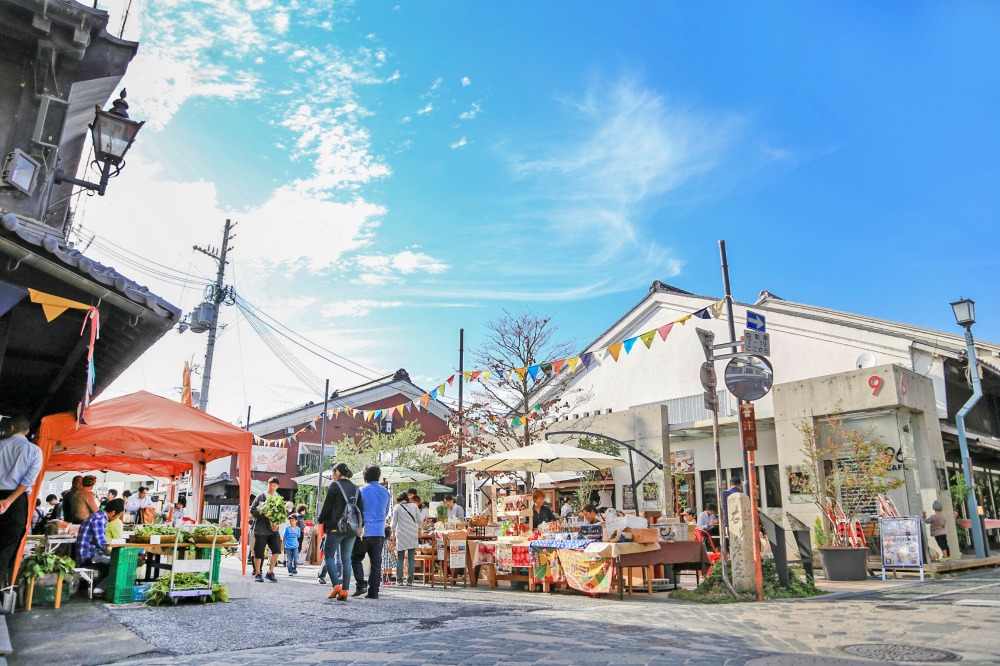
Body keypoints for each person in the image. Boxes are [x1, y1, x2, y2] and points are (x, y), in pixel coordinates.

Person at [0, 417, 42, 590]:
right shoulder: (34, 450)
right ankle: (3, 585)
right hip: (15, 500)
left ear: (11, 427)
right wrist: (8, 501)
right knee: (9, 542)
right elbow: (28, 480)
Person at [317, 462, 365, 601]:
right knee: (346, 559)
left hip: (335, 527)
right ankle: (345, 590)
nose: (332, 476)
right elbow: (361, 510)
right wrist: (361, 527)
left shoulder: (334, 486)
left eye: (333, 473)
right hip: (351, 528)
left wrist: (320, 521)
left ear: (337, 472)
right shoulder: (356, 488)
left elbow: (327, 506)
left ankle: (336, 585)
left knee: (329, 556)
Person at [352, 465, 391, 599]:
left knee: (356, 558)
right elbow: (386, 512)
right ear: (378, 476)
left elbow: (356, 511)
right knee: (376, 563)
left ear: (365, 477)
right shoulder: (385, 492)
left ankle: (361, 584)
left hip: (364, 531)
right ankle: (373, 591)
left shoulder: (361, 491)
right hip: (379, 532)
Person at [75, 498, 125, 596]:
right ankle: (98, 590)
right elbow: (101, 543)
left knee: (115, 561)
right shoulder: (99, 518)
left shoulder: (97, 516)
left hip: (89, 555)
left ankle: (99, 587)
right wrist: (114, 555)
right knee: (118, 564)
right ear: (113, 512)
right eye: (118, 515)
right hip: (88, 558)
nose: (117, 518)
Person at [249, 476, 283, 583]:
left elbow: (281, 514)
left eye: (274, 485)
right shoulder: (261, 496)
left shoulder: (278, 498)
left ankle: (270, 572)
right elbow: (252, 510)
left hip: (273, 530)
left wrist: (277, 524)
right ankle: (258, 573)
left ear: (277, 487)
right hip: (261, 529)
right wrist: (263, 512)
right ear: (267, 485)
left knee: (277, 550)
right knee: (259, 552)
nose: (272, 487)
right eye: (270, 485)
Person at [390, 491, 420, 586]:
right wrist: (419, 530)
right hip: (412, 533)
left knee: (400, 558)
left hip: (401, 534)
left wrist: (393, 534)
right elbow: (419, 519)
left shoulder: (397, 507)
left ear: (398, 499)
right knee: (411, 558)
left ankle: (399, 580)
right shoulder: (414, 506)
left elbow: (393, 522)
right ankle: (410, 581)